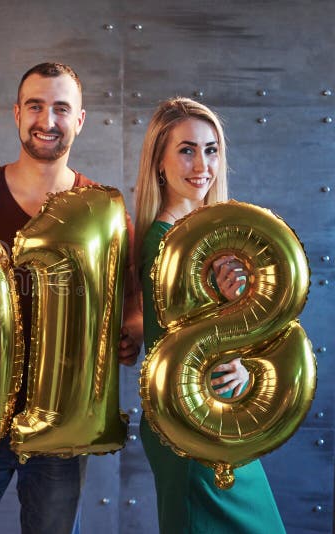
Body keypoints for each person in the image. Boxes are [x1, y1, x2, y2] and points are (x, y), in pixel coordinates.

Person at [0, 62, 143, 534]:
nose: (48, 120)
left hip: (62, 428)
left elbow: (129, 294)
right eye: (36, 106)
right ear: (17, 113)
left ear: (79, 120)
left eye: (62, 108)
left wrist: (131, 332)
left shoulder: (103, 208)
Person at [134, 97, 285, 533]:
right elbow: (179, 348)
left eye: (211, 149)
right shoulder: (163, 242)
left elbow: (241, 336)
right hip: (191, 425)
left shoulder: (210, 236)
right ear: (160, 161)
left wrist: (247, 365)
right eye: (186, 150)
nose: (202, 164)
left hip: (221, 418)